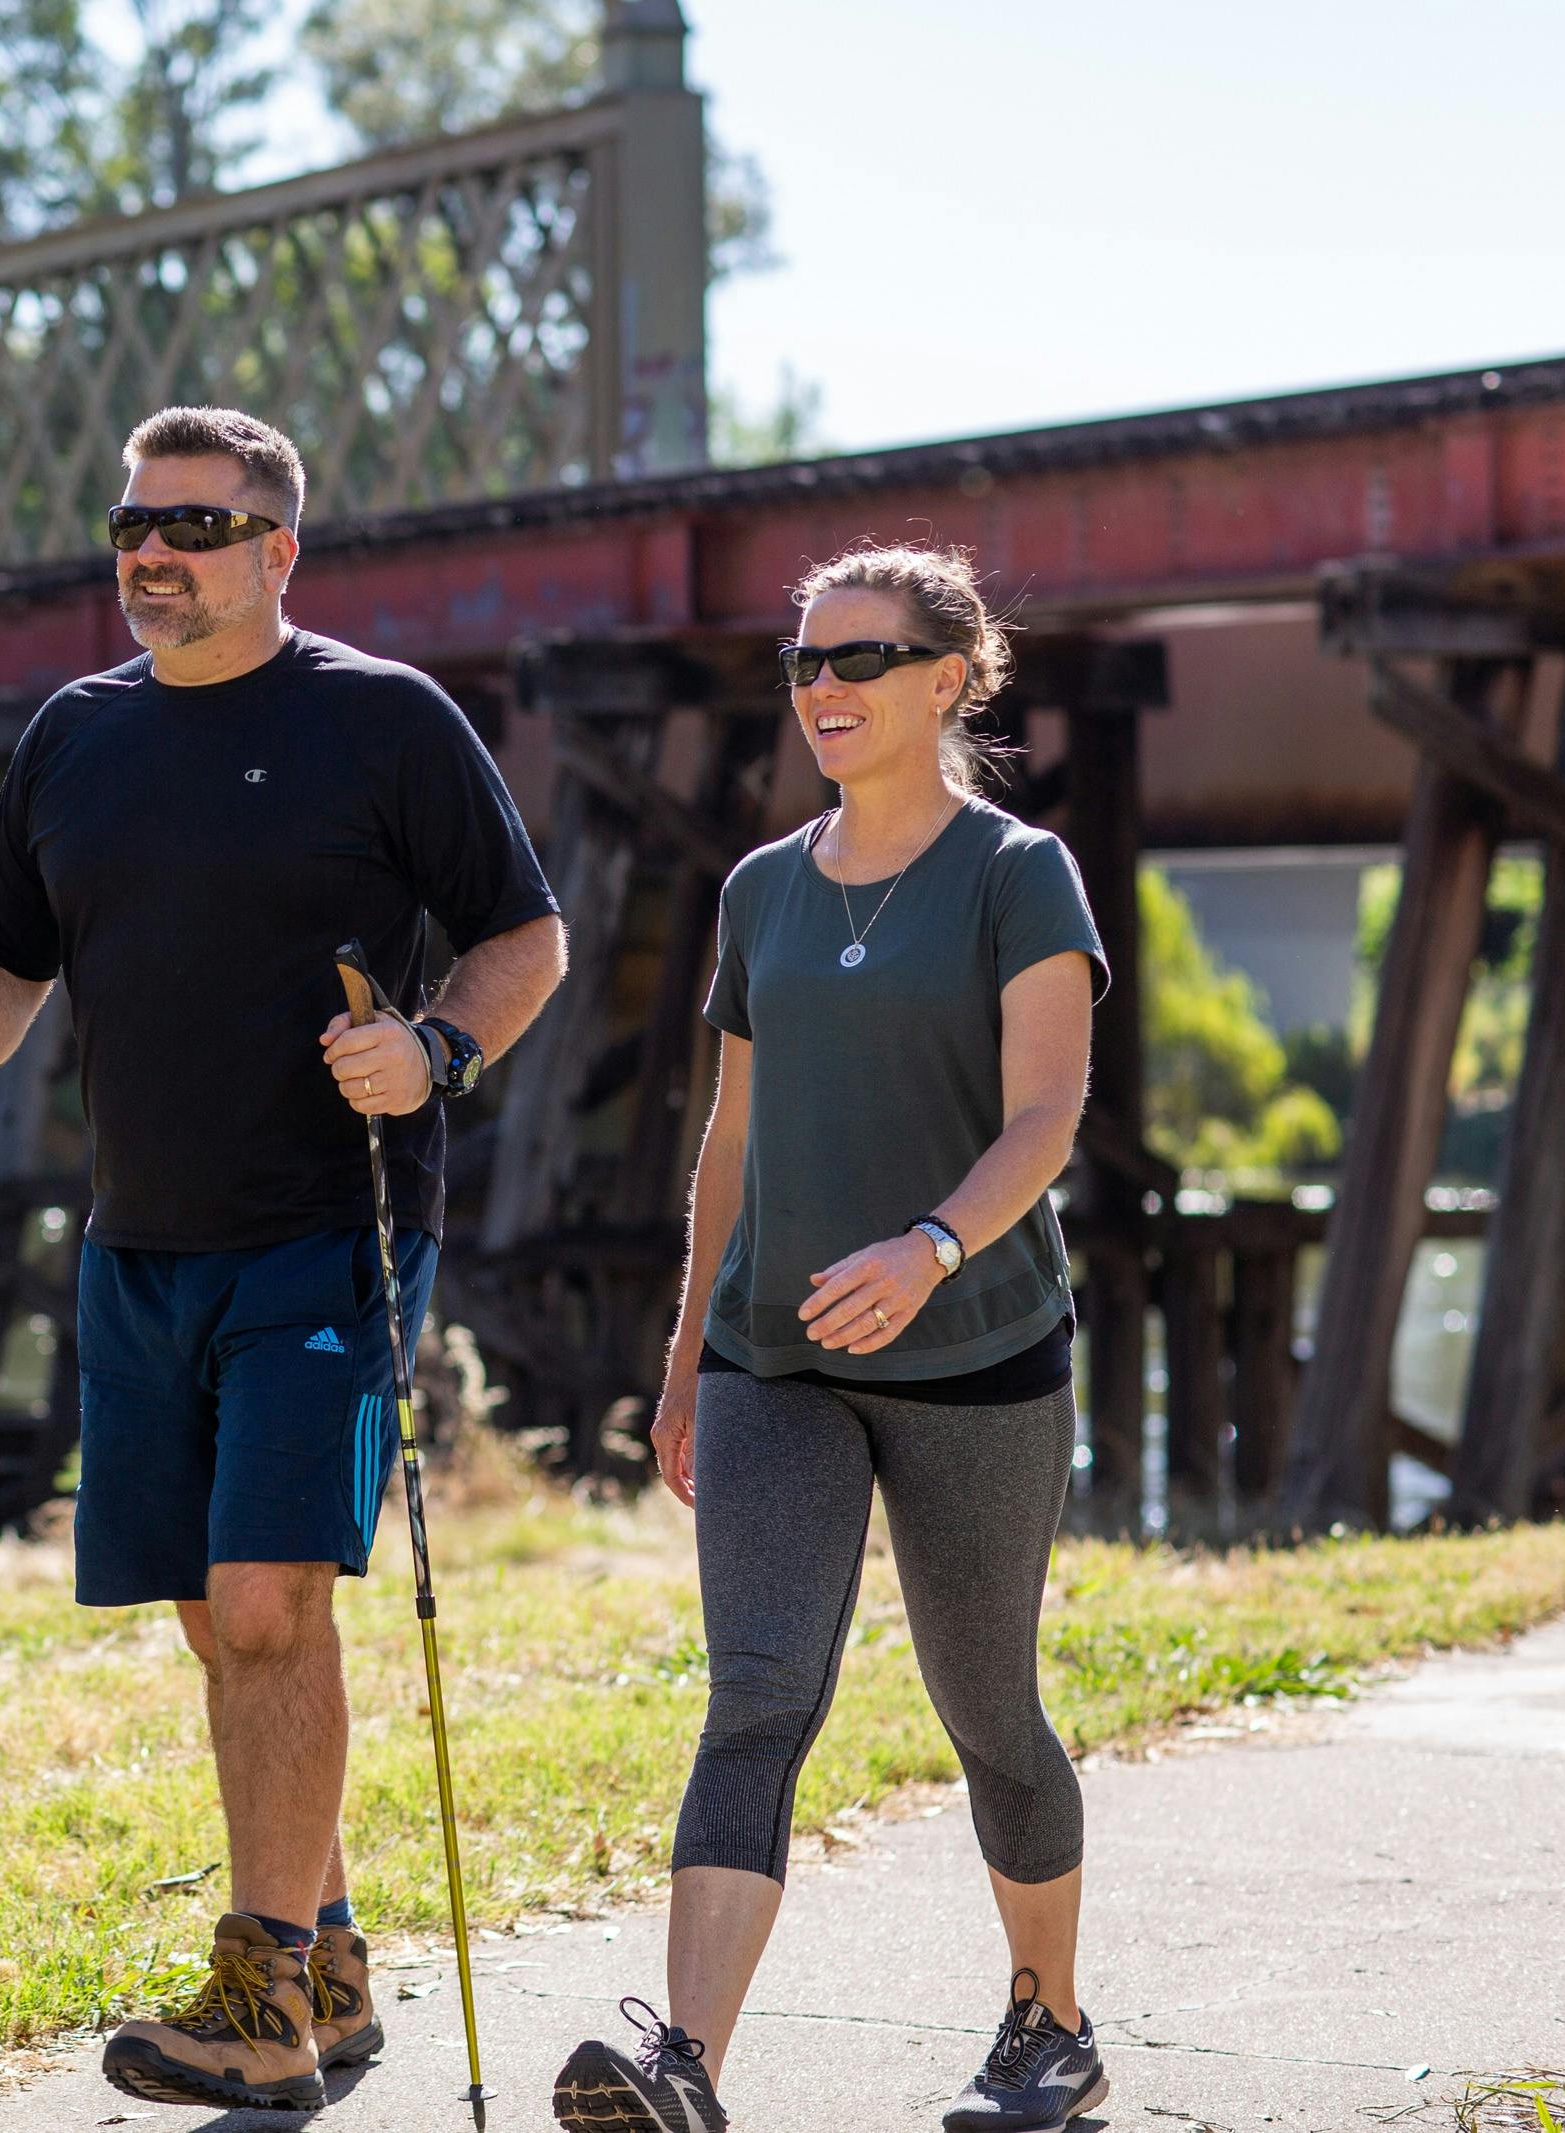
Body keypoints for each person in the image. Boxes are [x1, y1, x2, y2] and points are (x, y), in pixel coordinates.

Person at [0, 405, 565, 2110]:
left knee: (265, 1603)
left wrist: (437, 1051)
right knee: (210, 1613)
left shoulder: (385, 724)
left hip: (328, 1232)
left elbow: (523, 937)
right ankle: (327, 1947)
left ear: (278, 549)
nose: (149, 552)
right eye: (128, 523)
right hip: (139, 1243)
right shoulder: (75, 739)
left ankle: (261, 2011)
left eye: (190, 522)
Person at [548, 544, 1108, 2133]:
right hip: (773, 1361)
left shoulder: (1019, 872)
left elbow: (1048, 1113)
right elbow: (729, 1141)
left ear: (948, 677)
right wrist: (682, 1364)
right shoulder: (760, 887)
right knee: (757, 1694)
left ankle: (1047, 2021)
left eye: (860, 659)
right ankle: (685, 2065)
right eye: (803, 662)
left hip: (977, 1353)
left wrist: (932, 1246)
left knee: (987, 1703)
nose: (822, 689)